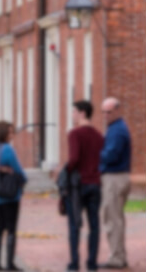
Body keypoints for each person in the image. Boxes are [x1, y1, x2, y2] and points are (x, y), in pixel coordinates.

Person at [62, 100, 103, 272]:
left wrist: (65, 170)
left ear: (82, 113)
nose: (72, 115)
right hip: (95, 183)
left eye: (74, 112)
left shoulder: (75, 134)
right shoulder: (99, 136)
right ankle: (92, 263)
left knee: (74, 225)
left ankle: (74, 263)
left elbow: (74, 159)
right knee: (94, 225)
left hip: (79, 185)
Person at [0, 121, 27, 271]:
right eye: (10, 132)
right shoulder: (8, 149)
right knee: (11, 228)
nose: (12, 135)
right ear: (2, 133)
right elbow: (19, 171)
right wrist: (23, 180)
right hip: (10, 195)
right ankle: (10, 264)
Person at [98, 97, 132, 270]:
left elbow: (111, 155)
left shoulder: (117, 130)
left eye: (109, 111)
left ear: (118, 110)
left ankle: (117, 258)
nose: (105, 115)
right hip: (117, 177)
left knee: (112, 219)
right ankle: (119, 255)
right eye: (103, 111)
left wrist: (96, 155)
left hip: (115, 178)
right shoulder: (115, 128)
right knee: (115, 218)